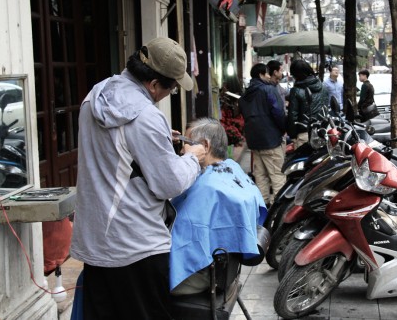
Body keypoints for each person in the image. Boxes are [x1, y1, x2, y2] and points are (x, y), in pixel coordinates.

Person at [70, 37, 206, 319]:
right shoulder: (145, 117)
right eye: (170, 89)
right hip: (136, 246)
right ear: (154, 84)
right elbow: (169, 183)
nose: (167, 95)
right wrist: (192, 157)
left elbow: (114, 150)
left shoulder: (96, 95)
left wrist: (155, 143)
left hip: (97, 241)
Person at [169, 118, 267, 295]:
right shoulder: (233, 170)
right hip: (224, 268)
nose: (183, 149)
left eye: (186, 143)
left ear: (205, 146)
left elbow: (181, 240)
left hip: (201, 274)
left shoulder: (208, 188)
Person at [239, 63, 286, 206]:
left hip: (254, 141)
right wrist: (283, 129)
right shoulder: (268, 90)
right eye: (266, 73)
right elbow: (278, 112)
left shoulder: (245, 94)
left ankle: (262, 208)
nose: (268, 76)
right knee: (277, 175)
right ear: (260, 74)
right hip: (271, 139)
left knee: (260, 177)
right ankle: (278, 210)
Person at [286, 59, 329, 148]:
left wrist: (292, 136)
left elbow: (293, 116)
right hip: (322, 133)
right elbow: (325, 109)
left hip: (304, 134)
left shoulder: (296, 91)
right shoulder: (323, 87)